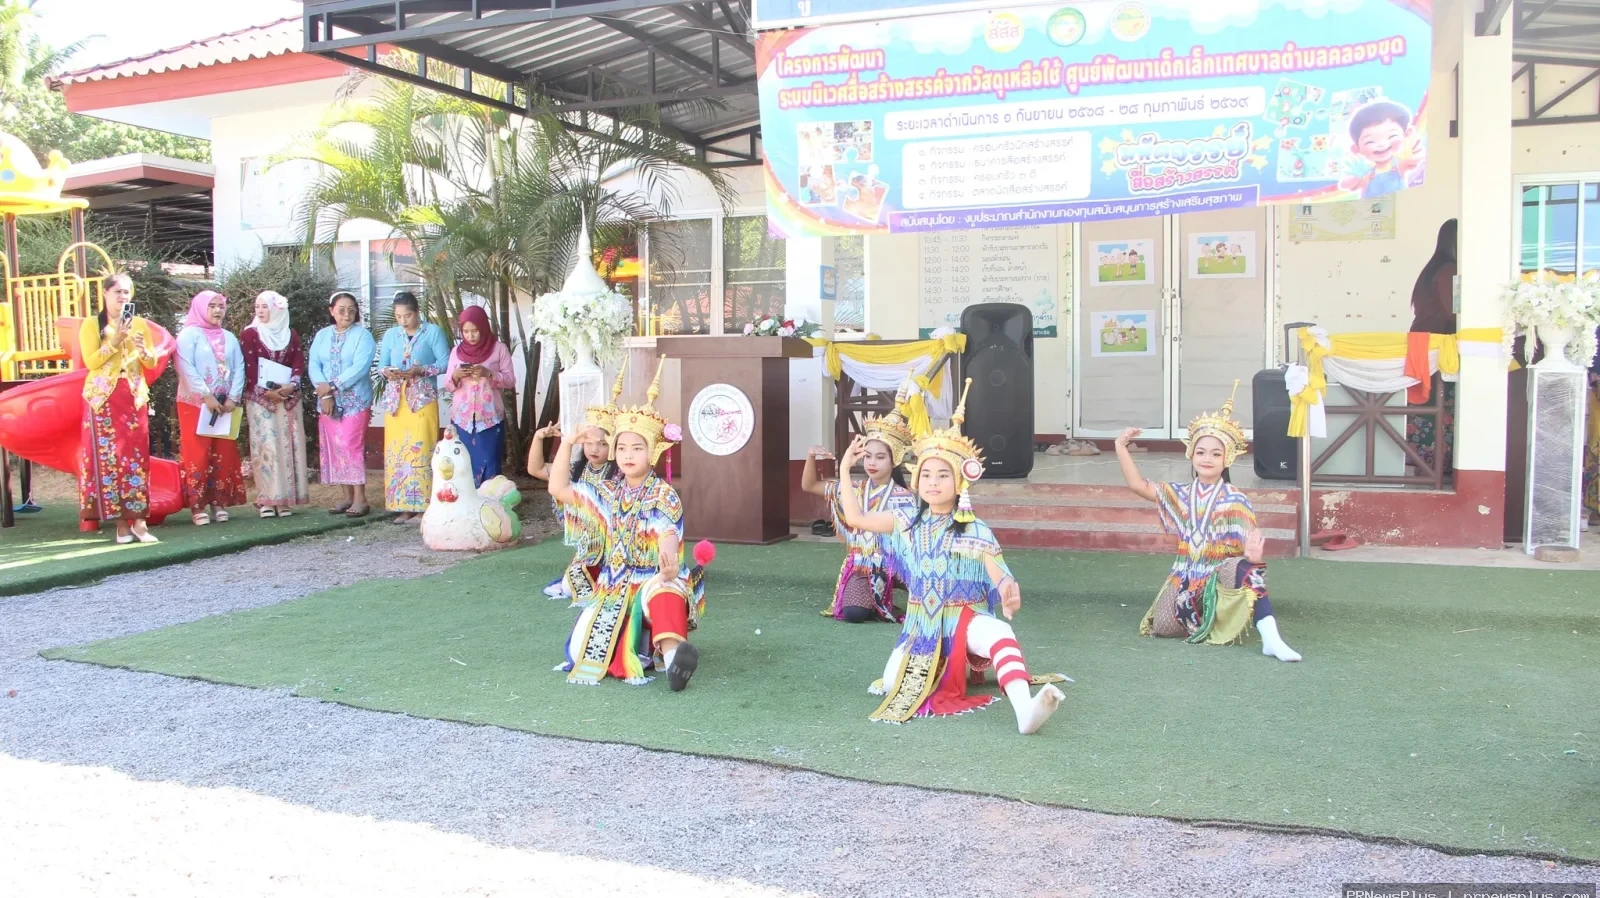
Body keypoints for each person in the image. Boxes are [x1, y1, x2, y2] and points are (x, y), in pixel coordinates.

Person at [836, 379, 1065, 733]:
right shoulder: (903, 523)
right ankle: (941, 668)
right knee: (891, 681)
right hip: (920, 628)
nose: (932, 482)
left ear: (960, 482)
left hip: (963, 621)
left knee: (1000, 632)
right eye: (926, 474)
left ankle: (1025, 712)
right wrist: (843, 468)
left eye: (943, 475)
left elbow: (998, 572)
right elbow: (856, 519)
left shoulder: (975, 529)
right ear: (915, 481)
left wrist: (1008, 590)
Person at [546, 357, 708, 691]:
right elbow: (558, 489)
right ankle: (647, 649)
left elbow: (666, 533)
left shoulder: (664, 495)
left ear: (653, 453)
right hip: (612, 588)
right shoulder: (606, 492)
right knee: (581, 653)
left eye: (637, 447)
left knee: (667, 588)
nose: (627, 454)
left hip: (651, 580)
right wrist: (566, 443)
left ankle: (675, 658)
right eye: (621, 447)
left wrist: (667, 565)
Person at [1114, 383, 1302, 662]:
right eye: (1201, 452)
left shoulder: (1235, 499)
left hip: (1221, 575)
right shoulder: (1180, 494)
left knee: (1245, 568)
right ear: (1191, 454)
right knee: (1164, 627)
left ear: (1227, 459)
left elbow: (1252, 538)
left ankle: (1271, 638)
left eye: (1216, 453)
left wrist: (1253, 556)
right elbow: (1138, 485)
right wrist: (1120, 447)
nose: (1207, 458)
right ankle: (1213, 616)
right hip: (1187, 577)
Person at [802, 394, 915, 623]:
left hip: (899, 563)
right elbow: (810, 485)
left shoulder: (905, 498)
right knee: (854, 614)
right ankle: (876, 598)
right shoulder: (853, 489)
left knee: (932, 597)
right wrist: (811, 456)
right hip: (863, 565)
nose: (872, 463)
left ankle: (891, 592)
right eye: (868, 456)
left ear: (895, 460)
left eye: (880, 457)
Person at [527, 364, 624, 603]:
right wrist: (540, 437)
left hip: (615, 549)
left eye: (601, 443)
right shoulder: (574, 472)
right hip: (586, 550)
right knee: (574, 584)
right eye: (589, 442)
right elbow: (536, 469)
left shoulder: (620, 476)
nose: (594, 448)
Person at [78, 272, 161, 544]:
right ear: (105, 294)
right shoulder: (92, 324)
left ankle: (139, 521)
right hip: (102, 397)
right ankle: (119, 523)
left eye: (126, 292)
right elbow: (91, 362)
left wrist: (144, 350)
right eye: (117, 292)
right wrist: (115, 341)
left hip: (133, 395)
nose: (123, 297)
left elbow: (150, 362)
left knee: (136, 458)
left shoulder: (139, 323)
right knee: (108, 459)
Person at [377, 291, 451, 524]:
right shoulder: (391, 335)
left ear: (417, 312)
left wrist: (421, 370)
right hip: (396, 400)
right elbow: (381, 364)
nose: (403, 321)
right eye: (398, 316)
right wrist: (388, 372)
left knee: (422, 448)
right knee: (398, 452)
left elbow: (446, 363)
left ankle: (423, 506)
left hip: (422, 399)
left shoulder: (433, 332)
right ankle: (402, 506)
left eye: (407, 315)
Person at [175, 290, 245, 526]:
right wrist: (205, 396)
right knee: (198, 452)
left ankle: (220, 501)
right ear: (200, 307)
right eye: (212, 305)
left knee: (224, 451)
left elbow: (239, 367)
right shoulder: (188, 335)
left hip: (225, 405)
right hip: (194, 404)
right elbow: (186, 366)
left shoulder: (230, 337)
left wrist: (233, 397)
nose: (217, 310)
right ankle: (198, 505)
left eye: (221, 306)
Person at [240, 290, 309, 517]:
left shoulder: (291, 334)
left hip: (288, 399)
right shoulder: (250, 334)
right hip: (261, 400)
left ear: (277, 310)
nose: (260, 311)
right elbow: (248, 367)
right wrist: (267, 392)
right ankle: (267, 500)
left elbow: (298, 362)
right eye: (257, 306)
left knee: (288, 446)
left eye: (265, 306)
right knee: (266, 447)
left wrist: (290, 386)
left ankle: (286, 499)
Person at [309, 291, 377, 517]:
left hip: (355, 401)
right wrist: (325, 394)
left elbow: (360, 366)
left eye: (351, 310)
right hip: (328, 401)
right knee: (336, 447)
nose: (347, 314)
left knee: (350, 445)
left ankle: (361, 498)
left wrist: (333, 385)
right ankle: (346, 497)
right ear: (331, 311)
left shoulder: (363, 335)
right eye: (341, 310)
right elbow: (314, 365)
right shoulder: (322, 335)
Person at [1406, 219, 1457, 473]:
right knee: (1438, 403)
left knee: (1427, 405)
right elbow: (1453, 313)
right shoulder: (1448, 269)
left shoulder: (1433, 268)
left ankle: (1424, 465)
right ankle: (1435, 467)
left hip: (1424, 343)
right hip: (1435, 346)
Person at [445, 306, 516, 487]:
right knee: (462, 461)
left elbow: (510, 381)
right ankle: (465, 504)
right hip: (462, 419)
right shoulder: (456, 351)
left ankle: (490, 505)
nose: (470, 336)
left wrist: (489, 373)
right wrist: (456, 376)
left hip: (490, 417)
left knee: (490, 460)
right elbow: (448, 384)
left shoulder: (499, 349)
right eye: (466, 331)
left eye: (475, 330)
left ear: (483, 327)